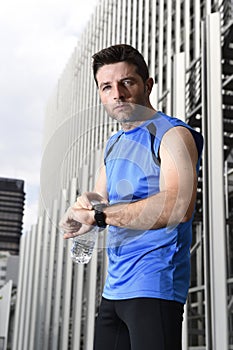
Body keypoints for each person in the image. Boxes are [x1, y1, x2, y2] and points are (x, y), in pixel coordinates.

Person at [60, 44, 204, 350]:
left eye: (127, 83)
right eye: (107, 87)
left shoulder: (172, 134)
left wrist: (100, 216)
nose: (118, 95)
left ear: (147, 85)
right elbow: (101, 198)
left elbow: (179, 205)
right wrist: (81, 210)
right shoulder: (114, 144)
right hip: (114, 291)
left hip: (155, 287)